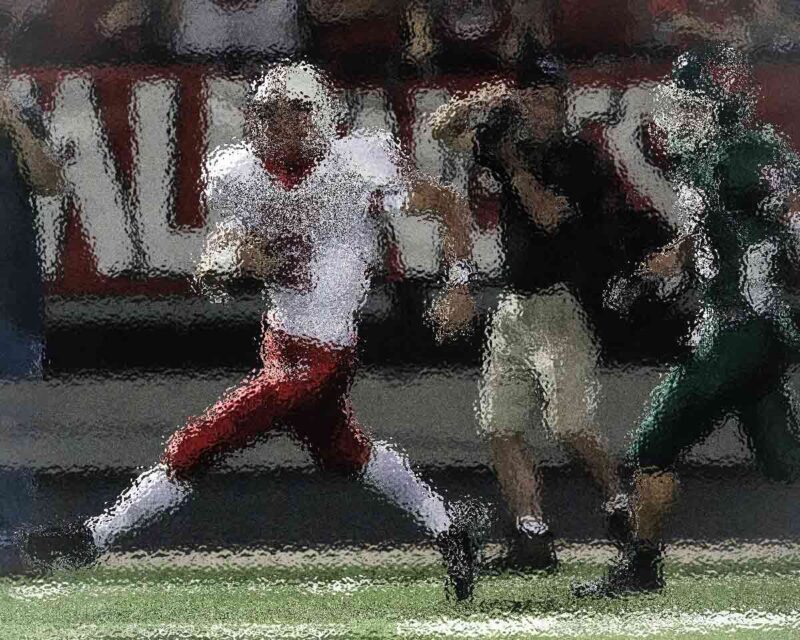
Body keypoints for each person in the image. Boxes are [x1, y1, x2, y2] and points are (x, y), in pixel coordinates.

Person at [23, 62, 484, 600]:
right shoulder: (237, 172)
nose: (281, 124)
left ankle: (93, 538)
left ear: (321, 114)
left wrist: (458, 284)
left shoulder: (355, 166)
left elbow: (447, 204)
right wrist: (230, 265)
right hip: (280, 340)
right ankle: (448, 526)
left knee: (203, 440)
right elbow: (217, 258)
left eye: (295, 112)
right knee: (346, 454)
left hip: (325, 353)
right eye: (269, 113)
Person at [575, 44, 800, 597]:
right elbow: (703, 236)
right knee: (786, 460)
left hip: (737, 326)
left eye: (692, 106)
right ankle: (641, 566)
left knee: (652, 446)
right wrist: (646, 273)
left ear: (721, 105)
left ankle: (641, 568)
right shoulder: (713, 159)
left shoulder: (741, 154)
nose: (678, 118)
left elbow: (793, 212)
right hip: (754, 328)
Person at [430, 55, 655, 572]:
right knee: (500, 426)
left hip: (562, 306)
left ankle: (618, 504)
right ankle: (531, 534)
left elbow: (549, 216)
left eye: (546, 100)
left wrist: (511, 165)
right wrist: (478, 101)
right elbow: (442, 131)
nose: (536, 109)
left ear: (562, 105)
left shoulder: (580, 159)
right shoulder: (509, 144)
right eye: (529, 98)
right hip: (514, 307)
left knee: (570, 426)